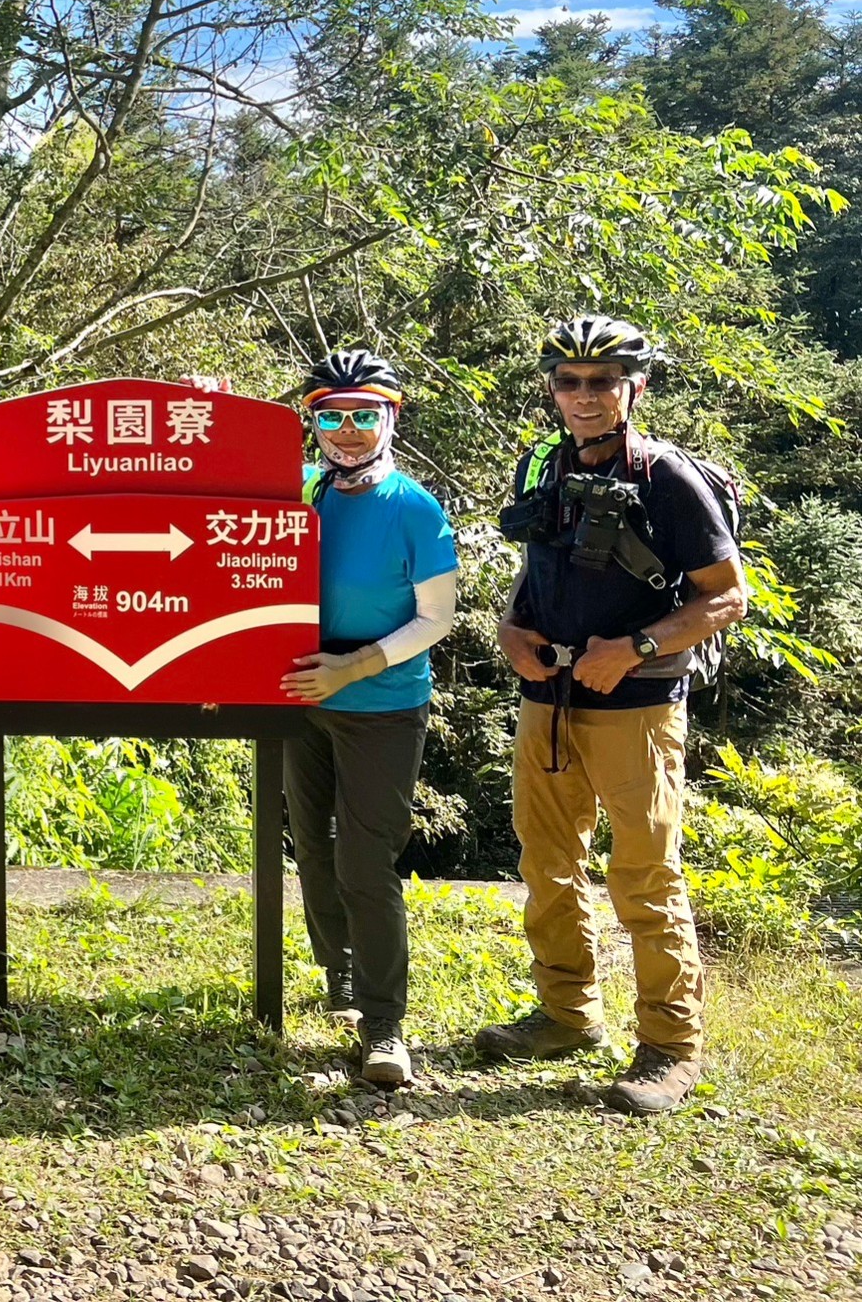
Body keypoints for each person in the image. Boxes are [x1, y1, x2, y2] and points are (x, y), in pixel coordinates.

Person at [478, 315, 744, 1117]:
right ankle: (566, 1015)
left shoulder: (668, 478)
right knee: (547, 862)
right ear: (553, 389)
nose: (585, 396)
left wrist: (631, 646)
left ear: (636, 386)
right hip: (548, 697)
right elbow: (538, 568)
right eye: (570, 381)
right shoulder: (543, 465)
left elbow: (727, 594)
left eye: (602, 382)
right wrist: (511, 628)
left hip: (636, 705)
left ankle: (670, 1046)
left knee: (644, 874)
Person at [277, 349, 458, 1090]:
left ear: (392, 417)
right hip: (303, 701)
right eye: (330, 415)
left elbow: (436, 617)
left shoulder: (415, 506)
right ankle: (339, 973)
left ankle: (385, 1026)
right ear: (314, 423)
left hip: (382, 705)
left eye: (364, 414)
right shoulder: (308, 494)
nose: (347, 431)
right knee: (312, 851)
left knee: (363, 861)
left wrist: (354, 666)